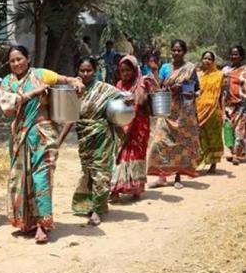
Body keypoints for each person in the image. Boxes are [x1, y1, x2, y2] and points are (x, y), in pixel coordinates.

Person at [0, 45, 84, 243]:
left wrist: (75, 80)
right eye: (12, 61)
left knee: (41, 179)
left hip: (43, 134)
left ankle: (42, 225)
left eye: (20, 59)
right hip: (20, 137)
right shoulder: (7, 82)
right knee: (21, 180)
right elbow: (6, 107)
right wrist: (33, 93)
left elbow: (65, 79)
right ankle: (27, 221)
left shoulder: (41, 74)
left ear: (28, 58)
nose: (16, 63)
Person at [61, 57, 121, 225]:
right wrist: (59, 141)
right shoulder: (74, 91)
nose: (86, 74)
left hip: (103, 137)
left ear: (95, 71)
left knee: (101, 173)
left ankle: (98, 210)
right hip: (84, 137)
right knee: (88, 172)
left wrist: (127, 101)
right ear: (77, 71)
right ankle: (90, 203)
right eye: (82, 71)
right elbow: (70, 118)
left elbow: (123, 100)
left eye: (89, 70)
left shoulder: (106, 90)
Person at [147, 39, 201, 189]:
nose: (176, 53)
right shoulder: (165, 67)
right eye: (174, 50)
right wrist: (154, 71)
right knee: (159, 142)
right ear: (171, 51)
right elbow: (160, 86)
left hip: (184, 112)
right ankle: (161, 177)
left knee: (180, 145)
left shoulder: (190, 68)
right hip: (167, 110)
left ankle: (177, 176)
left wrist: (184, 88)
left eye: (179, 50)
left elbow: (197, 88)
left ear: (184, 52)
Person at [110, 55, 152, 200]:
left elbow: (141, 101)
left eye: (128, 70)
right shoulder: (118, 85)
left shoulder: (141, 84)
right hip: (123, 126)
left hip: (138, 126)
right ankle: (115, 189)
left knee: (135, 155)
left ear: (134, 70)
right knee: (119, 155)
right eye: (122, 71)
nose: (125, 73)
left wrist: (140, 87)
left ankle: (135, 187)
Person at [195, 51, 225, 173]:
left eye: (209, 59)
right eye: (205, 58)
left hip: (214, 112)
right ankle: (198, 164)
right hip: (199, 110)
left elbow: (222, 95)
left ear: (213, 61)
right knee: (199, 137)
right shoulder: (197, 75)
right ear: (202, 59)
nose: (207, 61)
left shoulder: (219, 75)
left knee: (214, 137)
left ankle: (213, 165)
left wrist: (223, 112)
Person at [222, 45, 246, 165]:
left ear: (241, 56)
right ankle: (232, 152)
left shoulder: (245, 70)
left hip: (242, 105)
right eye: (232, 54)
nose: (233, 56)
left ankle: (238, 154)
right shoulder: (225, 71)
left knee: (240, 130)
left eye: (236, 54)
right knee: (228, 130)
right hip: (227, 105)